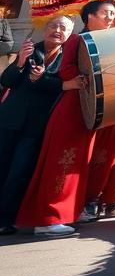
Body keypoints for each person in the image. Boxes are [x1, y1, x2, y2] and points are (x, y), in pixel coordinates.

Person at [17, 0, 115, 234]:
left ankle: (68, 211)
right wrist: (83, 80)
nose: (110, 18)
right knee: (63, 160)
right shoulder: (76, 39)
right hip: (72, 107)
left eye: (112, 14)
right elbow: (66, 69)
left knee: (80, 162)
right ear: (90, 16)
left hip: (89, 107)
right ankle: (47, 218)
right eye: (106, 13)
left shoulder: (103, 42)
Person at [0, 16, 72, 233]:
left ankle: (5, 219)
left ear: (69, 33)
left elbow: (63, 86)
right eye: (53, 26)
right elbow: (7, 81)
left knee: (19, 172)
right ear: (45, 28)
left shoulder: (68, 58)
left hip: (37, 124)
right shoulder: (31, 49)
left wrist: (43, 80)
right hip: (10, 118)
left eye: (63, 28)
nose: (57, 30)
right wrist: (20, 62)